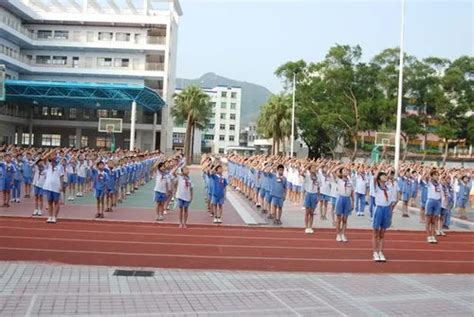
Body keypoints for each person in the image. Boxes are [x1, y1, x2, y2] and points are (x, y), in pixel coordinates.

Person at [372, 167, 392, 262]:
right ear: (380, 178)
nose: (386, 177)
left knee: (383, 233)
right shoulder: (376, 187)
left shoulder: (388, 188)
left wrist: (390, 213)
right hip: (379, 209)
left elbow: (390, 202)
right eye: (383, 176)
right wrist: (380, 168)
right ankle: (375, 252)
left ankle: (381, 251)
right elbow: (375, 177)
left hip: (386, 210)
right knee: (376, 232)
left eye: (386, 176)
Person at [333, 164, 354, 242]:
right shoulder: (339, 180)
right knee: (339, 219)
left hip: (347, 199)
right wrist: (340, 166)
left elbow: (352, 192)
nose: (346, 172)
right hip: (340, 198)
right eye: (344, 171)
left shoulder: (350, 181)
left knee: (345, 219)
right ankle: (338, 234)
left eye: (347, 171)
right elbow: (333, 171)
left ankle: (343, 234)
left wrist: (353, 202)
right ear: (341, 173)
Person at [42, 151, 64, 224]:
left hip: (56, 186)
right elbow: (44, 158)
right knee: (49, 202)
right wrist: (51, 151)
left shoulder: (59, 166)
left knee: (56, 202)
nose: (53, 156)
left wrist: (61, 185)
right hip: (48, 186)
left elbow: (61, 176)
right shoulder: (48, 165)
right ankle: (50, 216)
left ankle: (54, 216)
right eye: (52, 155)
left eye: (55, 155)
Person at [422, 169, 442, 244]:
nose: (437, 177)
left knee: (434, 220)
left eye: (437, 175)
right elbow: (424, 177)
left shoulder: (439, 184)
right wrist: (430, 171)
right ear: (432, 176)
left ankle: (433, 236)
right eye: (435, 175)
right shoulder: (429, 183)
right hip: (430, 201)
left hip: (437, 202)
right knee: (428, 220)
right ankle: (428, 236)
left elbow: (440, 194)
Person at [302, 163, 319, 234]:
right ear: (310, 169)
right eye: (312, 168)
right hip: (308, 194)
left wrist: (318, 196)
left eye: (315, 168)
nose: (314, 169)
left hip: (314, 194)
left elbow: (319, 187)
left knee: (311, 212)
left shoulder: (317, 177)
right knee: (307, 212)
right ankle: (306, 227)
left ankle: (310, 227)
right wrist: (307, 166)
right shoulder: (307, 175)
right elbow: (302, 173)